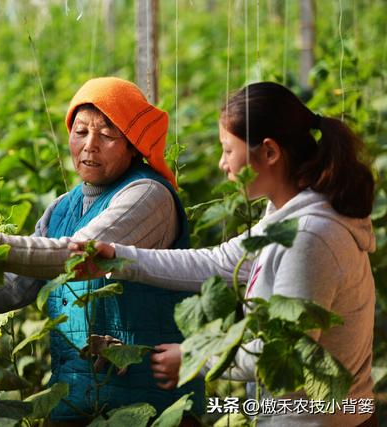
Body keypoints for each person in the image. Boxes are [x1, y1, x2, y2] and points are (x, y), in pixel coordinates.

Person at [71, 81, 377, 426]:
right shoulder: (289, 216)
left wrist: (195, 356)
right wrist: (118, 258)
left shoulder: (309, 237)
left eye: (228, 150)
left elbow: (284, 353)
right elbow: (218, 261)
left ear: (270, 153)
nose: (221, 164)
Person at [0, 77, 203, 425]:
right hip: (74, 402)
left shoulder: (148, 195)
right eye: (81, 132)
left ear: (133, 145)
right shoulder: (62, 207)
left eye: (107, 135)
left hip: (149, 405)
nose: (90, 146)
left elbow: (76, 256)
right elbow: (14, 288)